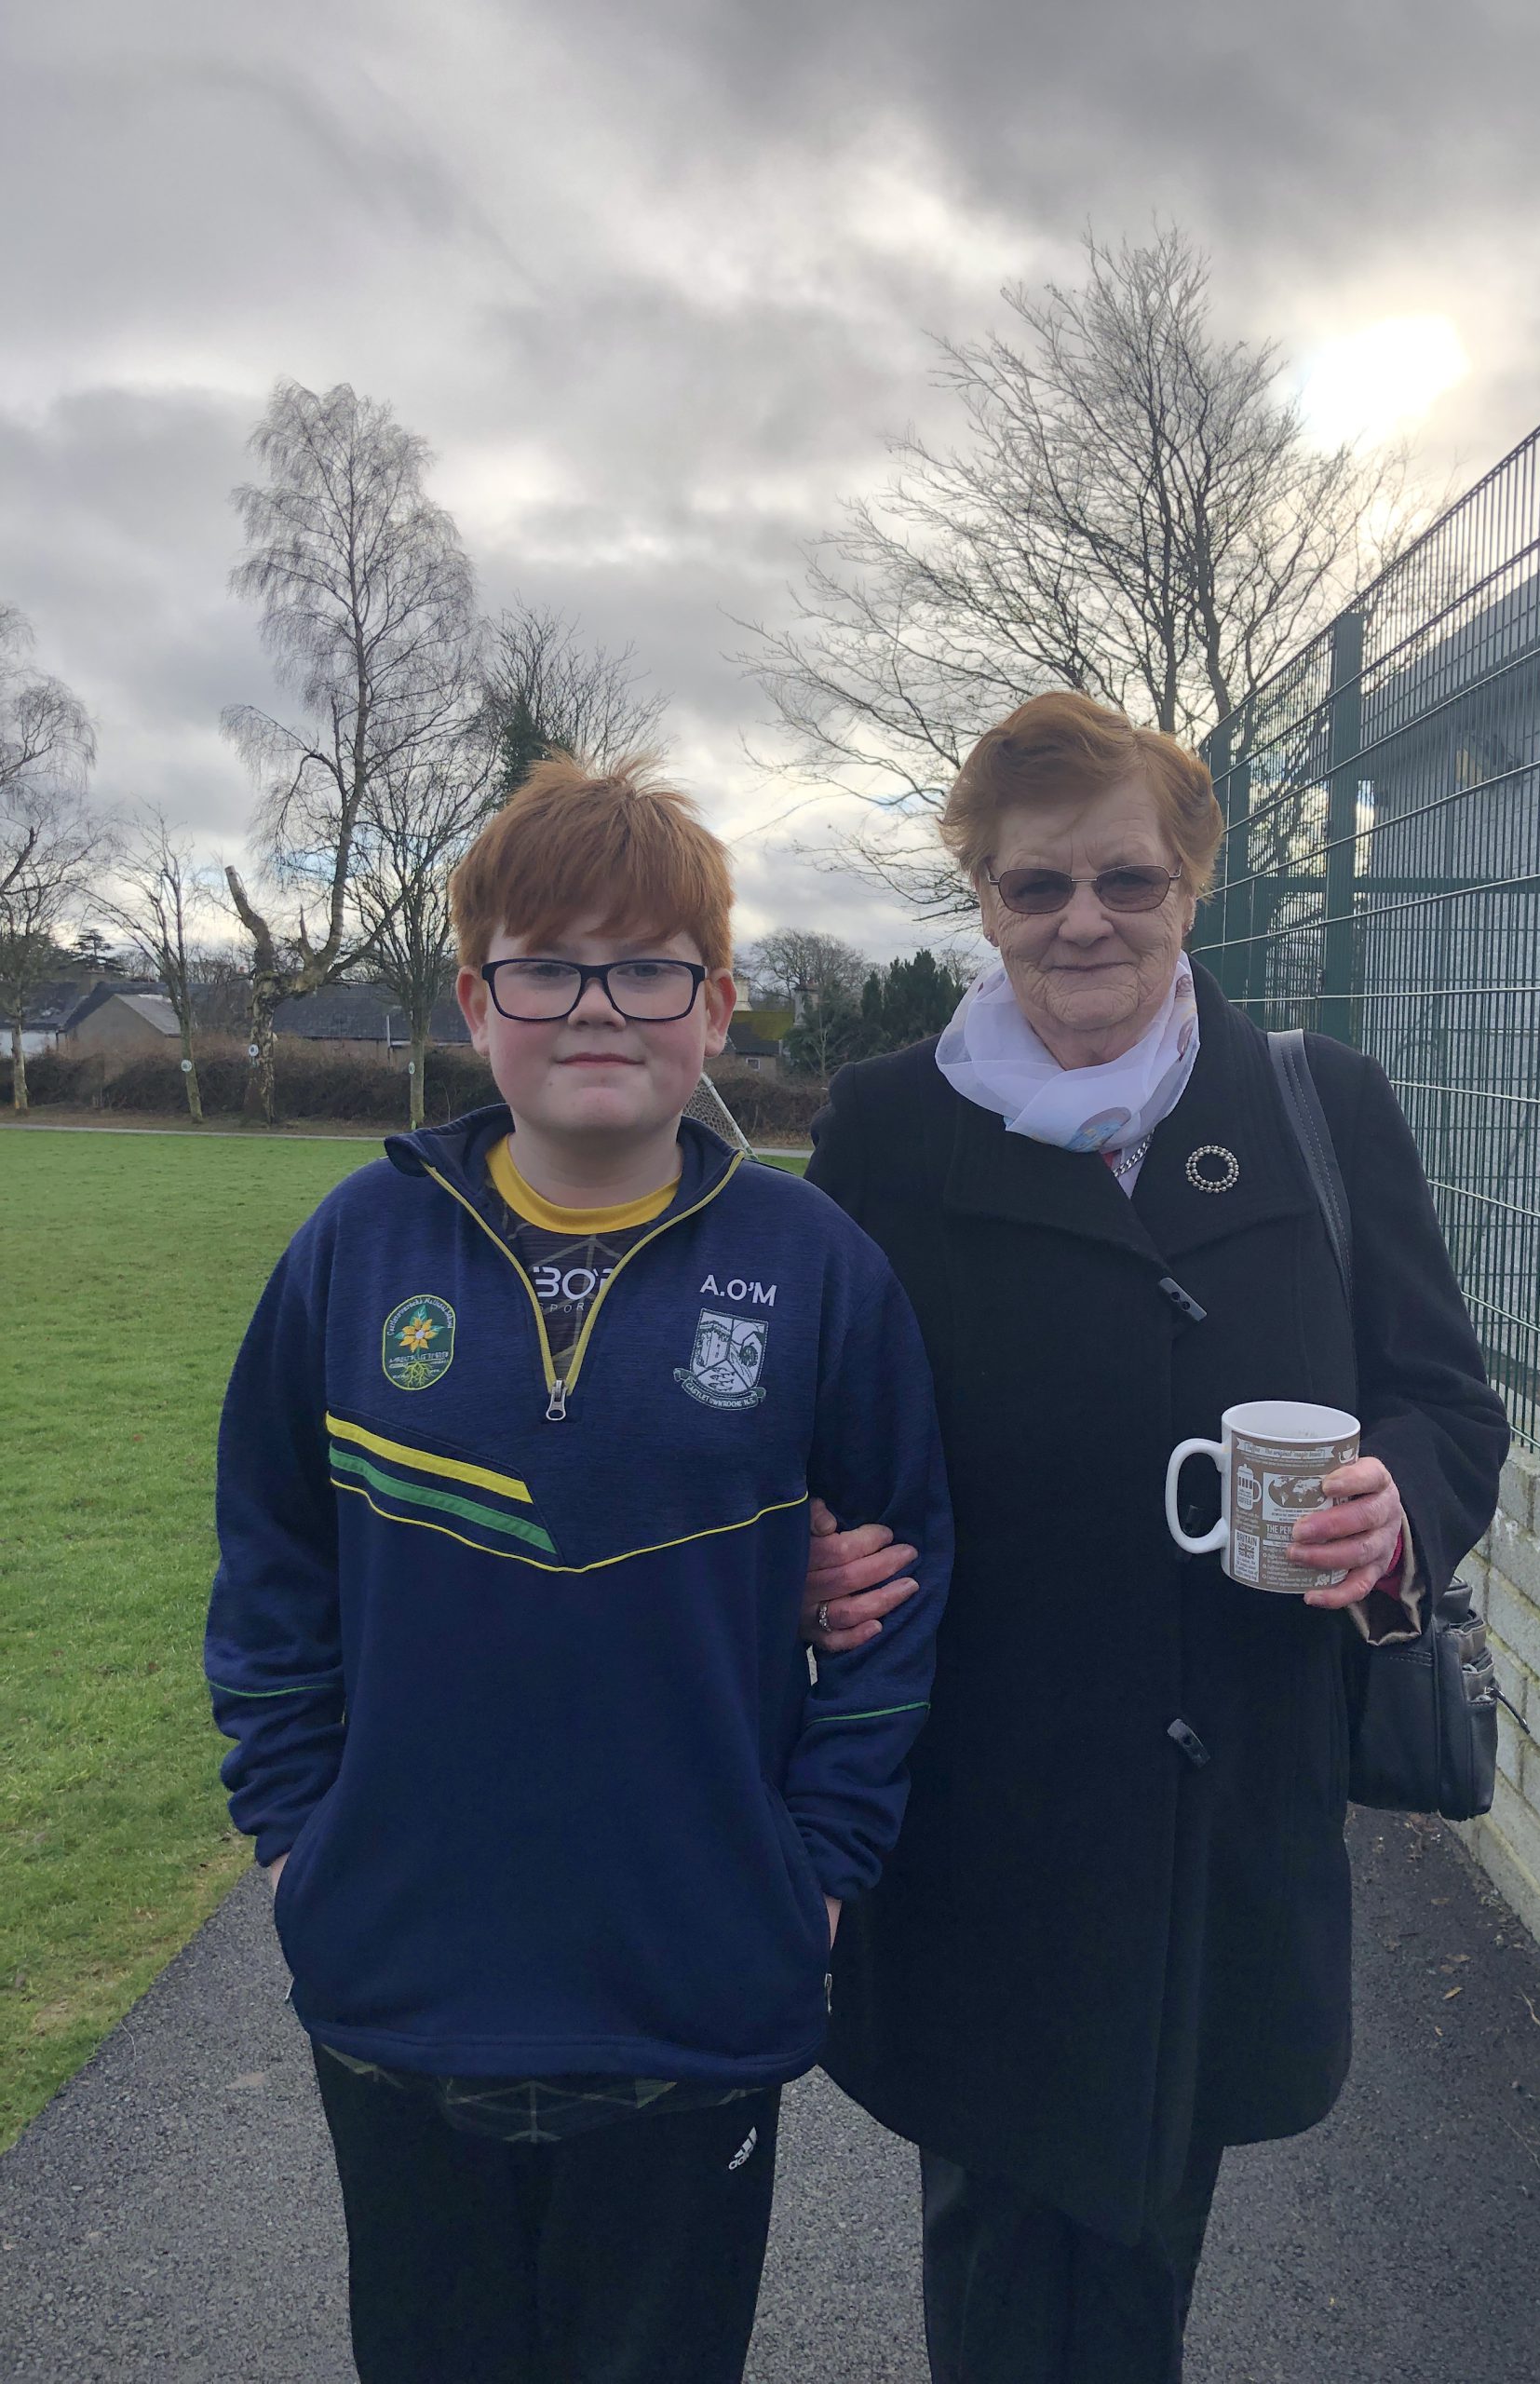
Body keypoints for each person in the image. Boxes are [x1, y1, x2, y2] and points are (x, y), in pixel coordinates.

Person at [205, 753, 952, 2384]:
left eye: (648, 967)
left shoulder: (818, 1270)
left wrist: (817, 1873)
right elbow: (269, 1558)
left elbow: (898, 1601)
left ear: (719, 1007)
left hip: (694, 1983)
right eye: (547, 965)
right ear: (477, 1000)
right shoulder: (356, 1247)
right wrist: (294, 1840)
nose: (598, 1005)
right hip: (401, 1971)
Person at [803, 690, 1508, 2384]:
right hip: (977, 1788)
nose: (1084, 921)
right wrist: (799, 1553)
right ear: (983, 899)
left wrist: (1398, 1503)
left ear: (1192, 883)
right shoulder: (889, 1123)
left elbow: (1444, 1402)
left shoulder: (1319, 1103)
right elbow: (806, 1426)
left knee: (1147, 2226)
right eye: (1036, 885)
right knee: (994, 2224)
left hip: (1228, 1774)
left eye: (1127, 878)